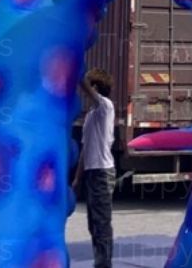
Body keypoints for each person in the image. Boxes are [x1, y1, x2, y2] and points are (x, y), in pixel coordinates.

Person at [74, 68, 116, 268]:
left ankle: (104, 264)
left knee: (101, 223)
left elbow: (89, 92)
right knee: (93, 223)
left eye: (89, 86)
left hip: (102, 171)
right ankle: (100, 262)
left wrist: (76, 72)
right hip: (92, 171)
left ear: (96, 87)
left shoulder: (105, 107)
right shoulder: (91, 115)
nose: (85, 91)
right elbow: (85, 147)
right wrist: (77, 178)